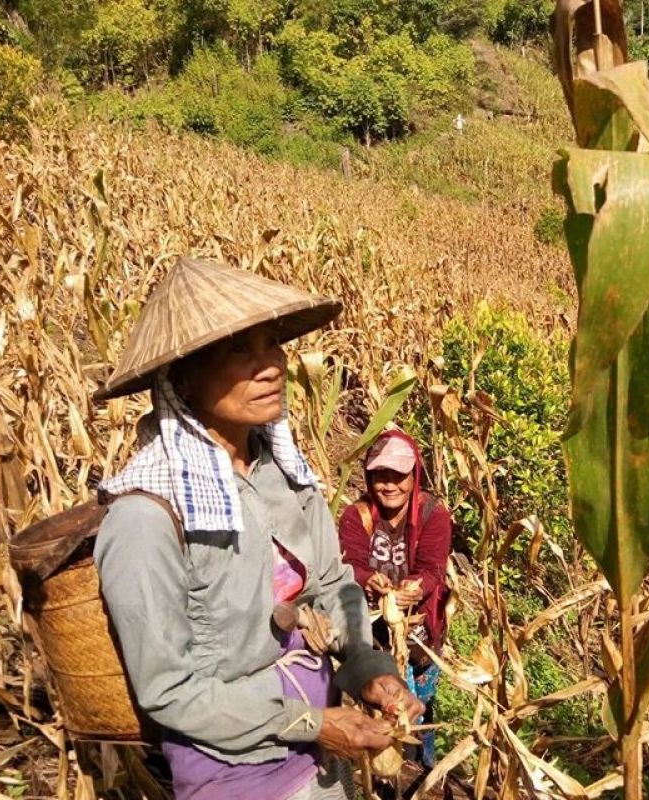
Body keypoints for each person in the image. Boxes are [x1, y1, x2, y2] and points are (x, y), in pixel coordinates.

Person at [92, 256, 423, 800]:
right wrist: (313, 724)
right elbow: (170, 690)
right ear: (182, 378)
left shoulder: (285, 476)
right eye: (239, 349)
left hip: (322, 748)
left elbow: (334, 585)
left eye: (271, 343)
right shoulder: (145, 518)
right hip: (235, 771)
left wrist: (370, 668)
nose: (270, 365)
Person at [337, 431, 453, 769]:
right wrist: (368, 579)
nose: (389, 485)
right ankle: (385, 775)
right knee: (384, 708)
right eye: (380, 476)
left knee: (419, 704)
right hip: (374, 637)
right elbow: (350, 564)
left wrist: (415, 588)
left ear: (414, 476)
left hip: (421, 635)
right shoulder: (357, 516)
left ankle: (423, 767)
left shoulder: (433, 514)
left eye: (398, 476)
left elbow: (432, 568)